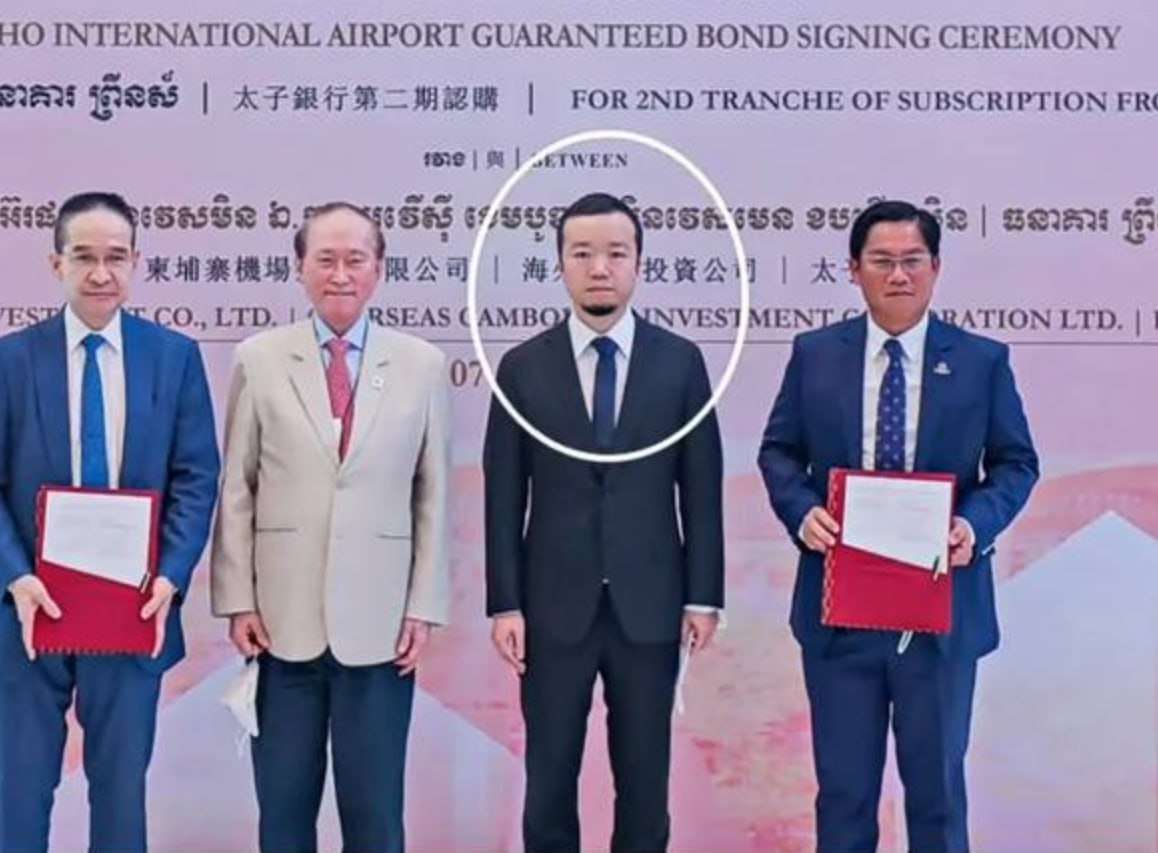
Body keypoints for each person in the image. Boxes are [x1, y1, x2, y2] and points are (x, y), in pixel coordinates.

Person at [757, 199, 1039, 853]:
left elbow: (1015, 462)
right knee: (845, 794)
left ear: (936, 267)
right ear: (853, 269)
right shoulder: (815, 355)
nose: (898, 274)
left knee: (937, 794)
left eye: (913, 260)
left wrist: (974, 524)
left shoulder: (981, 361)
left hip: (939, 612)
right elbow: (778, 452)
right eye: (882, 261)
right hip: (840, 613)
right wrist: (800, 510)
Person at [484, 192, 724, 852]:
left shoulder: (680, 362)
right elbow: (503, 494)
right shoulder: (522, 367)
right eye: (582, 253)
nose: (599, 268)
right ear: (560, 263)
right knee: (548, 781)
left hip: (651, 605)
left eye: (616, 253)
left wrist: (703, 596)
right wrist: (505, 602)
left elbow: (701, 488)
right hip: (551, 608)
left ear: (639, 263)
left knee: (645, 785)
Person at [210, 201, 450, 853]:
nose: (340, 274)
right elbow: (238, 487)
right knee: (284, 814)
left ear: (379, 270)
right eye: (325, 260)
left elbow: (432, 493)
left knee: (375, 817)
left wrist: (424, 605)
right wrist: (237, 599)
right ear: (300, 269)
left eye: (355, 260)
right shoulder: (260, 359)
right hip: (280, 621)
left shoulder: (422, 364)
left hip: (382, 625)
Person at [0, 191, 220, 852]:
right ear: (56, 264)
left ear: (136, 263)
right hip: (28, 611)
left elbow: (195, 477)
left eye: (116, 257)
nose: (101, 273)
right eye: (84, 257)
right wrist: (16, 576)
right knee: (18, 790)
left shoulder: (173, 356)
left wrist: (170, 576)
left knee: (121, 791)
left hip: (134, 609)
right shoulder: (11, 360)